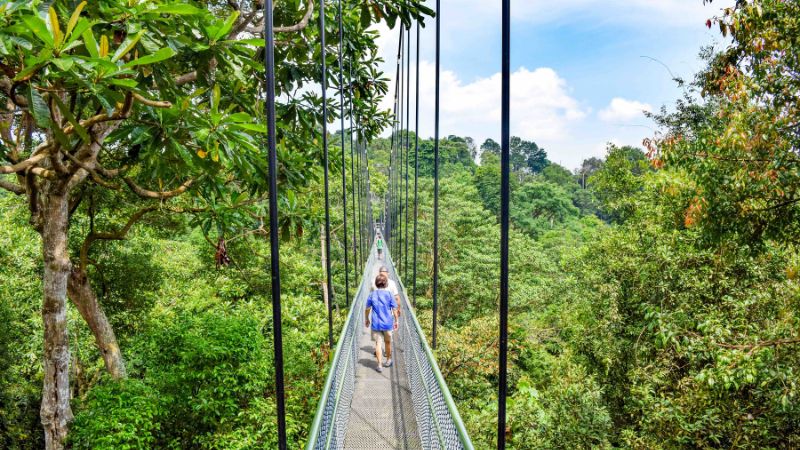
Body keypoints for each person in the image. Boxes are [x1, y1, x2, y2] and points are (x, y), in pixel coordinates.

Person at [365, 273, 398, 373]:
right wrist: (396, 320)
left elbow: (367, 309)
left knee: (378, 344)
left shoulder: (372, 294)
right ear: (386, 284)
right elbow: (395, 309)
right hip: (387, 323)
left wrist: (366, 319)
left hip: (376, 324)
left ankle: (379, 365)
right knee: (388, 342)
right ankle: (388, 360)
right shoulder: (389, 294)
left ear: (376, 283)